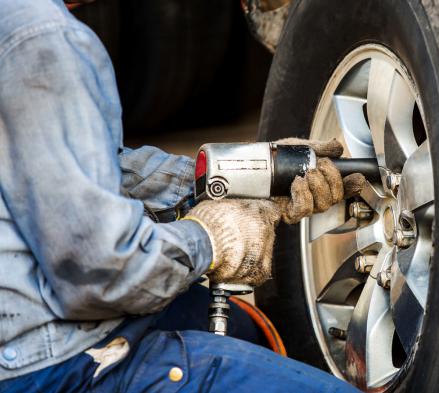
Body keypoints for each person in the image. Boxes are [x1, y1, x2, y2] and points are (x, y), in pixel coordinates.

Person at [0, 0, 362, 391]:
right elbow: (99, 274)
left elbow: (59, 166)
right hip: (51, 368)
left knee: (245, 329)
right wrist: (212, 238)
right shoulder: (41, 39)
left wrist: (236, 177)